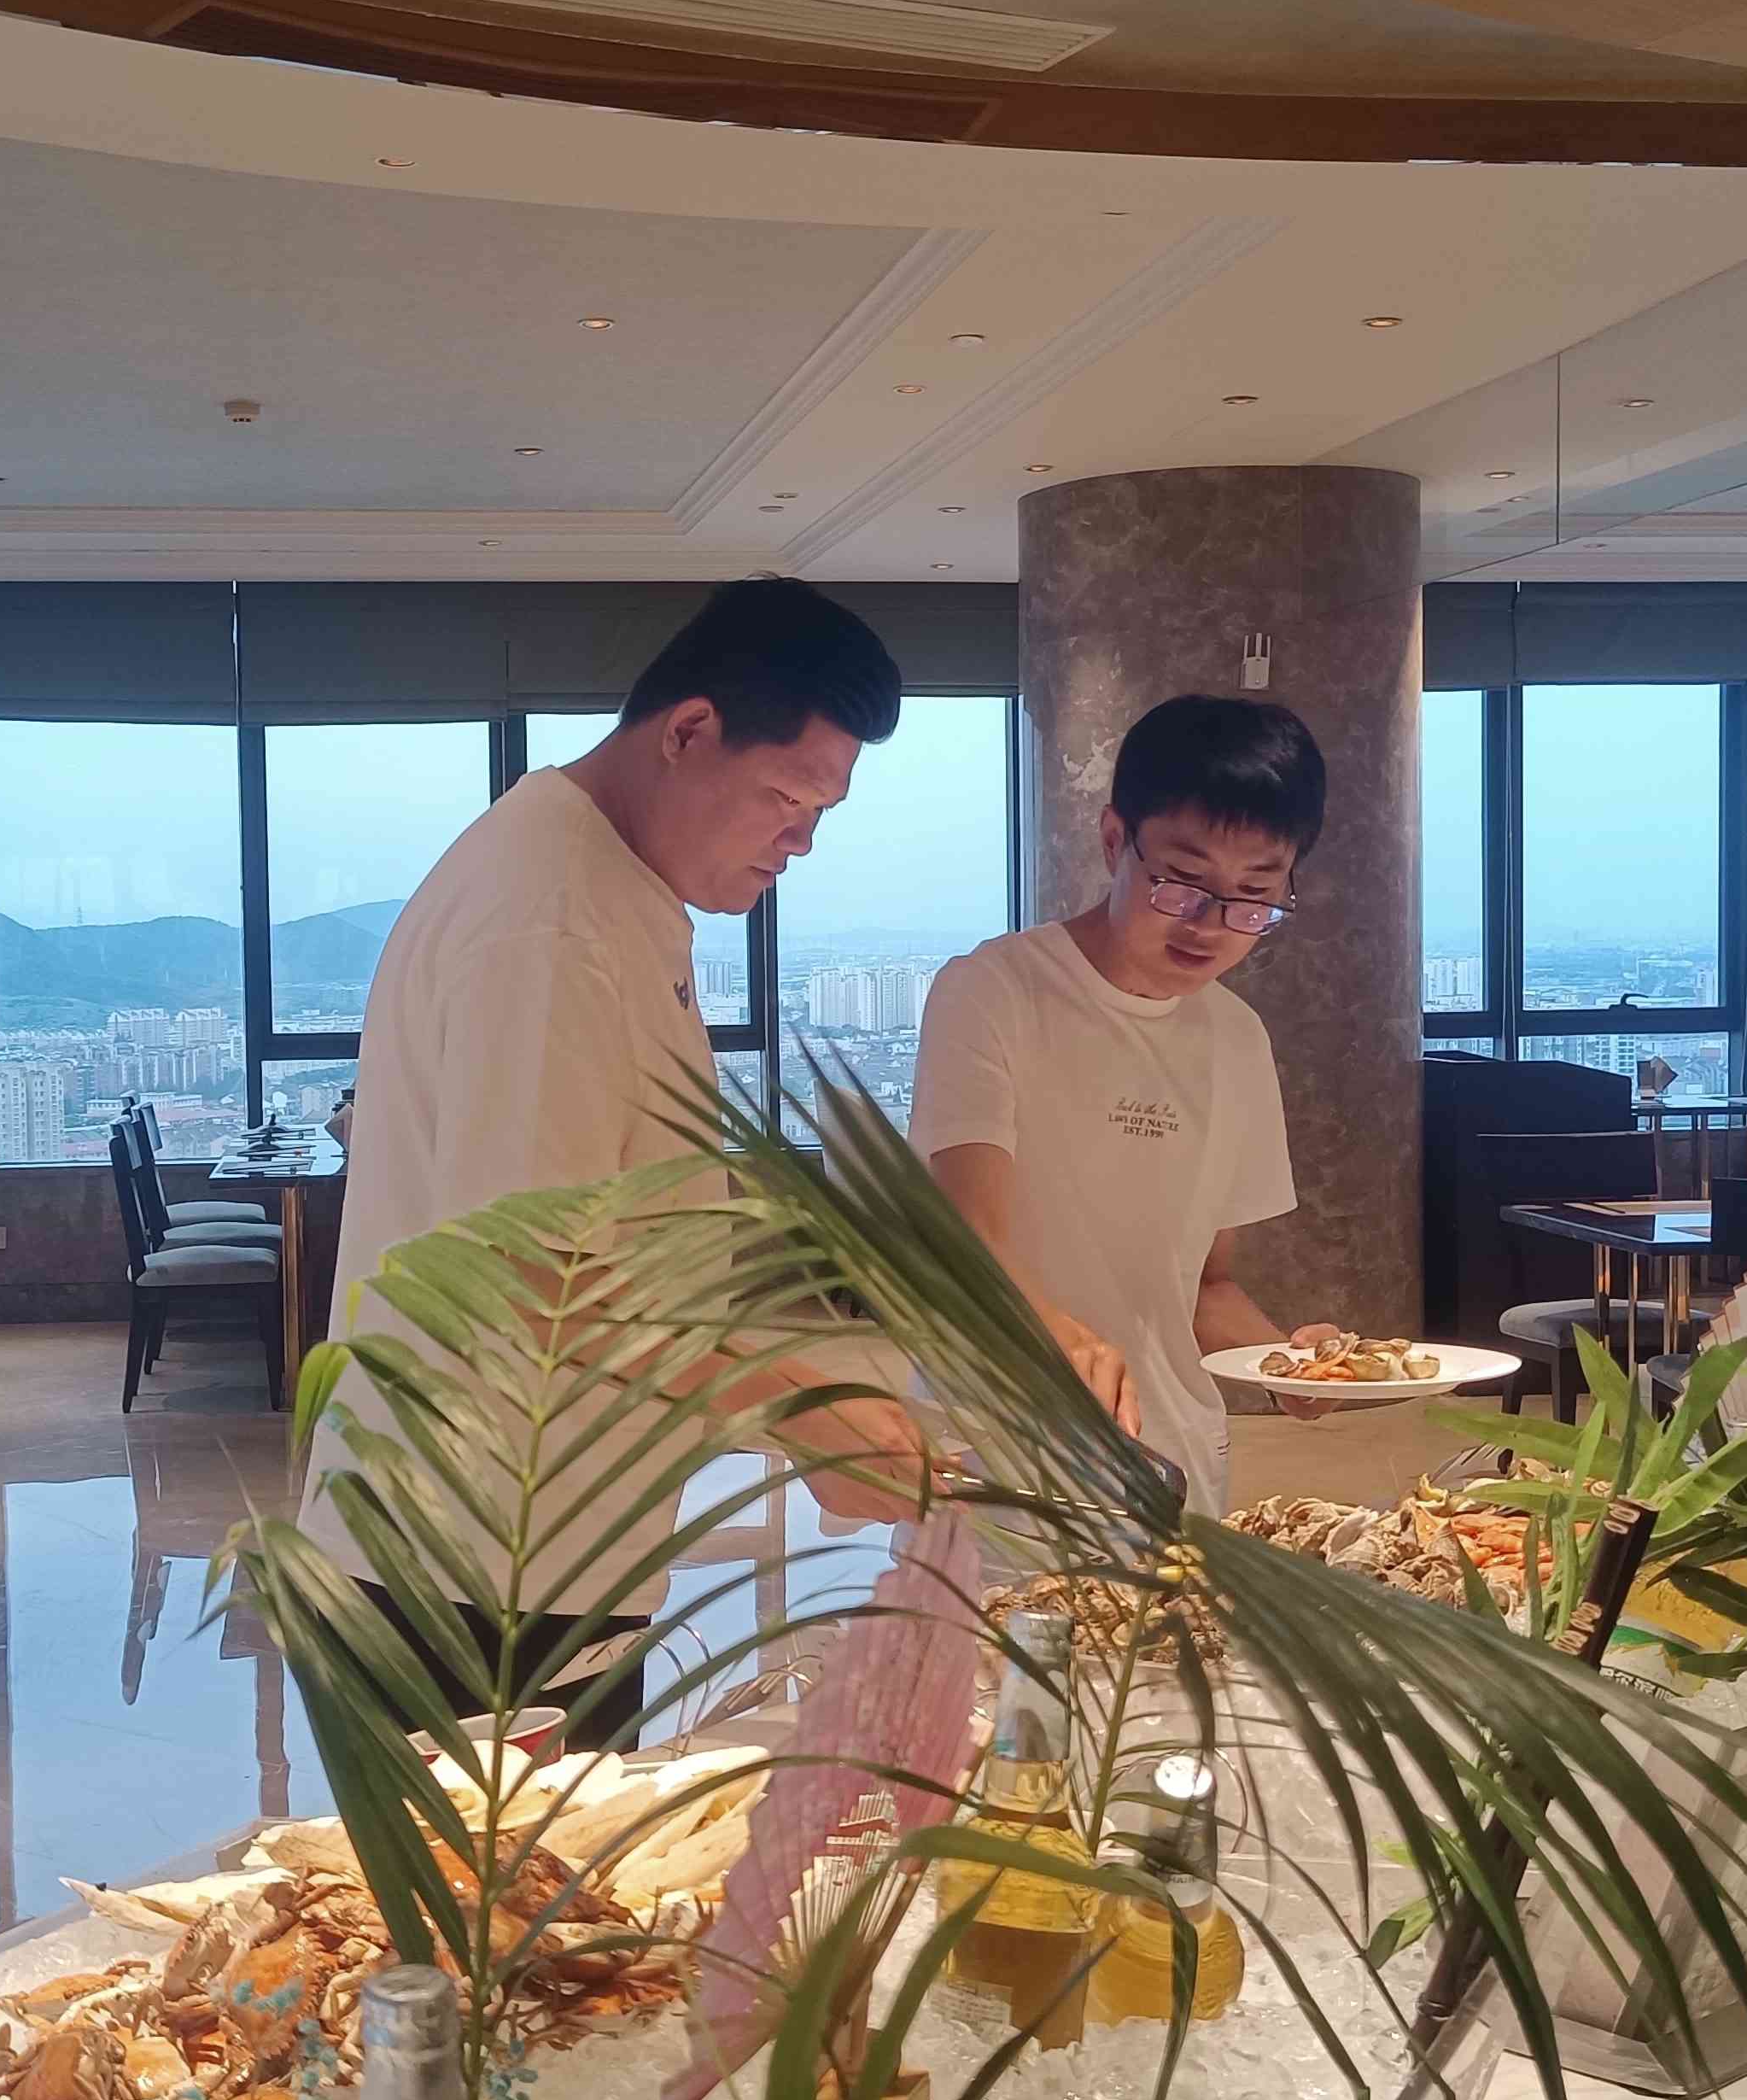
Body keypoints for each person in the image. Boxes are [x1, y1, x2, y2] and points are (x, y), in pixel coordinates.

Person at [300, 574, 921, 1740]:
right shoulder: (549, 919)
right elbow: (538, 1281)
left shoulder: (598, 882)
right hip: (467, 1567)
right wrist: (805, 1413)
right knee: (507, 1870)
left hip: (531, 1547)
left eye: (822, 813)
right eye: (788, 799)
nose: (801, 841)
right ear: (689, 731)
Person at [908, 694, 1333, 1514]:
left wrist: (1290, 1366)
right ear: (1114, 841)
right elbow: (963, 1243)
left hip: (1175, 1465)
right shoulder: (994, 991)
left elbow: (1204, 1288)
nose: (1210, 925)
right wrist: (1073, 1342)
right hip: (1003, 1458)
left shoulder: (1238, 1039)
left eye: (1253, 897)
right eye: (1182, 883)